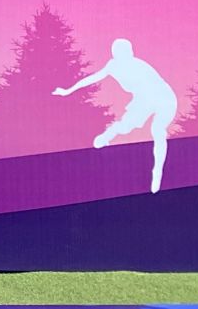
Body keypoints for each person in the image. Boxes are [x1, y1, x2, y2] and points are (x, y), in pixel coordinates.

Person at [56, 38, 179, 194]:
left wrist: (139, 109)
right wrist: (68, 90)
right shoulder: (113, 66)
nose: (124, 57)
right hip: (144, 98)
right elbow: (92, 78)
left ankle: (158, 171)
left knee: (157, 130)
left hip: (164, 97)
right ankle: (108, 135)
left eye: (126, 54)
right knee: (125, 127)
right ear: (115, 55)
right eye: (120, 54)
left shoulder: (139, 66)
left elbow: (152, 90)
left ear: (130, 53)